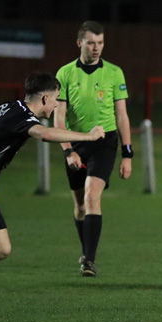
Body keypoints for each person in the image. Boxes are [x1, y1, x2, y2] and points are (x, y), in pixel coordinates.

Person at [0, 72, 105, 292]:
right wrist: (88, 136)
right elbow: (46, 135)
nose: (56, 105)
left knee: (0, 249)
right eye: (56, 98)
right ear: (44, 99)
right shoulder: (22, 118)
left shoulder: (10, 107)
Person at [54, 21, 133, 278]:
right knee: (79, 205)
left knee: (92, 195)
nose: (96, 47)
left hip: (104, 143)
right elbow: (58, 118)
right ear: (80, 43)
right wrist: (68, 151)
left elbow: (122, 116)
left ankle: (89, 260)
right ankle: (86, 249)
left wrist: (127, 154)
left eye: (100, 42)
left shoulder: (114, 73)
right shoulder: (64, 73)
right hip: (76, 143)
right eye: (91, 42)